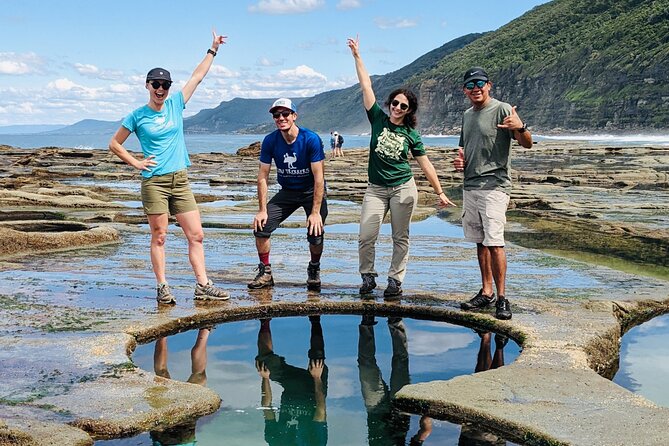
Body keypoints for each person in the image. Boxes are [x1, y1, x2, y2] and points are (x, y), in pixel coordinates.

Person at [109, 31, 229, 305]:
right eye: (156, 84)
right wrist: (137, 162)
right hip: (154, 182)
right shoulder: (137, 116)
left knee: (196, 234)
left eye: (165, 84)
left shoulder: (175, 104)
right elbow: (115, 144)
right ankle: (163, 287)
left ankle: (203, 285)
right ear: (147, 85)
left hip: (180, 180)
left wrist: (212, 50)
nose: (161, 88)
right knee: (160, 236)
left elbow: (197, 77)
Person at [347, 36, 455, 299]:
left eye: (403, 106)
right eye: (394, 103)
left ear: (409, 111)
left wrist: (439, 191)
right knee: (366, 235)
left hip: (402, 188)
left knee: (400, 236)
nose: (397, 108)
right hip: (375, 189)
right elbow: (366, 86)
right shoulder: (377, 119)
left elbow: (424, 163)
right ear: (389, 104)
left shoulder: (412, 135)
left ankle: (395, 280)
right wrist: (357, 56)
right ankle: (368, 277)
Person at [454, 67, 533, 320]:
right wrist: (460, 162)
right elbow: (464, 150)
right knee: (480, 241)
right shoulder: (467, 115)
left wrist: (520, 127)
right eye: (470, 85)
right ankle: (486, 292)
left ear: (489, 85)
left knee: (495, 242)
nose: (475, 88)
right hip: (471, 186)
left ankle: (502, 298)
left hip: (495, 186)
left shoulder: (502, 109)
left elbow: (527, 143)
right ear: (464, 90)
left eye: (480, 83)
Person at [248, 98, 327, 291]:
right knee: (261, 227)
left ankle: (314, 268)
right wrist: (261, 210)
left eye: (285, 114)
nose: (281, 118)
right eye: (277, 115)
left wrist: (315, 212)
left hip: (311, 191)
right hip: (288, 191)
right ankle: (266, 272)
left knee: (315, 233)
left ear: (294, 116)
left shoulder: (311, 139)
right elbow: (262, 177)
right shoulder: (270, 140)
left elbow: (319, 178)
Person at [255, 316, 328, 445]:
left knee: (264, 363)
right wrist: (317, 377)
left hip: (290, 386)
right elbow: (321, 410)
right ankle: (315, 319)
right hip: (312, 389)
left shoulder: (274, 441)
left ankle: (264, 321)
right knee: (317, 361)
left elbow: (267, 407)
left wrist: (265, 378)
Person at [150, 327, 211, 445]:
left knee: (198, 375)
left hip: (182, 440)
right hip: (172, 439)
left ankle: (205, 330)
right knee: (162, 373)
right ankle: (163, 334)